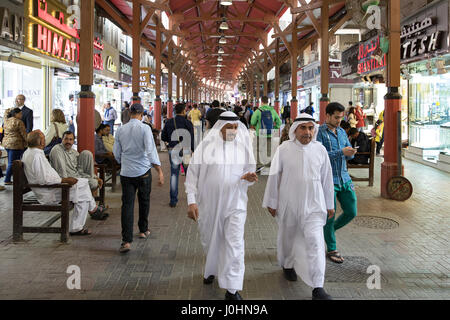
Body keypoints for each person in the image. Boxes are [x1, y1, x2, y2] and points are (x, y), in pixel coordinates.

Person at [185, 111, 257, 300]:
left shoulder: (243, 146)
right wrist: (191, 200)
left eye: (236, 127)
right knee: (211, 240)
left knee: (234, 243)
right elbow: (192, 174)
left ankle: (232, 289)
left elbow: (250, 171)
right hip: (208, 204)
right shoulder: (206, 146)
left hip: (236, 202)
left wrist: (249, 178)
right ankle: (212, 268)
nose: (233, 130)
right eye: (229, 127)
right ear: (220, 128)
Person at [263, 113, 334, 300]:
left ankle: (318, 287)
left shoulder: (320, 150)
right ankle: (287, 264)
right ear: (295, 130)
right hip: (289, 203)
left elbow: (327, 179)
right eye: (303, 128)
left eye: (311, 128)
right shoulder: (284, 149)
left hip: (314, 204)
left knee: (316, 243)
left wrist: (329, 203)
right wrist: (272, 201)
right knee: (288, 237)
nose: (307, 132)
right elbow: (274, 177)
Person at [23, 130, 107, 235]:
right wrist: (64, 180)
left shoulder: (30, 152)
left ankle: (92, 210)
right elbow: (44, 180)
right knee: (84, 192)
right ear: (40, 142)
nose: (45, 141)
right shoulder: (37, 155)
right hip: (49, 192)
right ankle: (87, 216)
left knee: (84, 185)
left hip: (51, 187)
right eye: (44, 138)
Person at [113, 103, 164, 253]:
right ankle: (143, 230)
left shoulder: (121, 130)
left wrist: (124, 163)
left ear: (129, 114)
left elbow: (117, 153)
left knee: (127, 205)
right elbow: (150, 150)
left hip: (126, 173)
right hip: (143, 172)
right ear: (142, 114)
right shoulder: (145, 128)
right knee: (144, 201)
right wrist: (159, 171)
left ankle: (126, 240)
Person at [316, 102, 358, 264]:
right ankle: (332, 248)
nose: (339, 120)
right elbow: (319, 156)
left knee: (351, 211)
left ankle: (328, 232)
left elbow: (348, 154)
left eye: (341, 117)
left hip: (344, 178)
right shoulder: (319, 133)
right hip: (328, 180)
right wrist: (341, 152)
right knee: (330, 214)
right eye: (336, 117)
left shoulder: (342, 132)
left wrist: (350, 153)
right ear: (327, 116)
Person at [49, 131, 106, 214]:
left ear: (73, 141)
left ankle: (92, 208)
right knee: (89, 185)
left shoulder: (74, 152)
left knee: (87, 154)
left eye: (71, 139)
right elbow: (61, 172)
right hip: (66, 182)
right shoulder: (57, 150)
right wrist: (66, 182)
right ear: (62, 139)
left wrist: (95, 177)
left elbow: (80, 170)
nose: (68, 141)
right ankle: (93, 209)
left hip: (77, 177)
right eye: (66, 139)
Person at [161, 103, 194, 208]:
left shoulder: (169, 122)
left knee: (174, 175)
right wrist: (193, 149)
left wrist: (169, 142)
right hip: (186, 150)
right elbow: (191, 138)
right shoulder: (188, 123)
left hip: (173, 150)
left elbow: (163, 136)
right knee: (189, 174)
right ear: (184, 111)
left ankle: (173, 200)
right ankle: (191, 198)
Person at [250, 96, 282, 170]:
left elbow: (252, 122)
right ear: (268, 101)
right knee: (269, 149)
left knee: (258, 149)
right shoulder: (273, 110)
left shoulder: (258, 111)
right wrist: (274, 128)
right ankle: (268, 164)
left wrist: (257, 125)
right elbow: (279, 122)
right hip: (270, 133)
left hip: (260, 133)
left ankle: (259, 165)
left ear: (261, 101)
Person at [2, 108, 27, 185]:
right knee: (12, 163)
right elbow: (24, 134)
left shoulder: (6, 121)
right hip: (16, 144)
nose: (21, 115)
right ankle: (7, 179)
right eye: (20, 114)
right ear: (16, 114)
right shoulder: (19, 122)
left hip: (6, 144)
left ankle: (9, 178)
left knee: (10, 161)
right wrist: (28, 142)